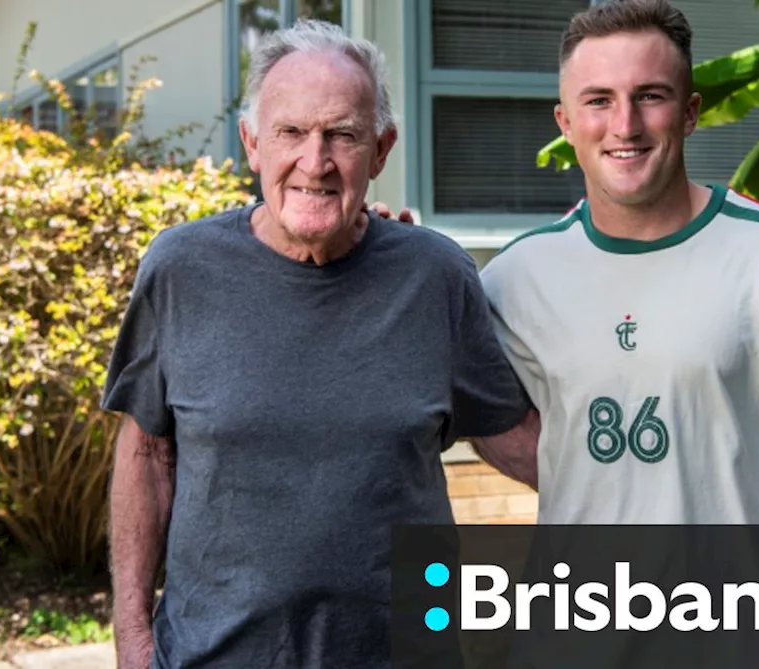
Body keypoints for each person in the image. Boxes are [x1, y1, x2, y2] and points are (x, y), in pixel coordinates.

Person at [380, 0, 759, 526]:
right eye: (598, 100)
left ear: (690, 113)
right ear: (565, 122)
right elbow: (468, 393)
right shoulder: (516, 279)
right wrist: (381, 263)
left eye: (650, 96)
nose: (625, 124)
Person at [100, 20, 536, 669]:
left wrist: (665, 485)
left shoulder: (435, 276)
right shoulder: (180, 269)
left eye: (342, 135)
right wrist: (133, 642)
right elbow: (146, 456)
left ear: (381, 150)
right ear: (252, 142)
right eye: (291, 132)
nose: (316, 161)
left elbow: (513, 437)